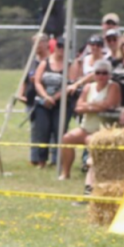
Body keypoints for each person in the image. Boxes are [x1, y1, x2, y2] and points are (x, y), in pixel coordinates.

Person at [59, 60, 119, 188]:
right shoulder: (88, 87)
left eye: (104, 73)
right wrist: (96, 106)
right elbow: (78, 107)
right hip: (86, 127)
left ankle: (93, 177)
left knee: (91, 140)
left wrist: (88, 106)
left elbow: (109, 105)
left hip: (104, 129)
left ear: (109, 75)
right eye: (98, 73)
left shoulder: (113, 86)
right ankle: (65, 173)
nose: (101, 76)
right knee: (67, 138)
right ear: (94, 75)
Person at [31, 36, 74, 168]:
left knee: (59, 131)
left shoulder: (69, 65)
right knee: (42, 131)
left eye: (64, 47)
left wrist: (55, 98)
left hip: (61, 104)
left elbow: (69, 84)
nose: (61, 49)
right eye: (59, 46)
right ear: (55, 47)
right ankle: (41, 161)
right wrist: (45, 97)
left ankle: (59, 161)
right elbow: (37, 81)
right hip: (43, 103)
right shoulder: (45, 63)